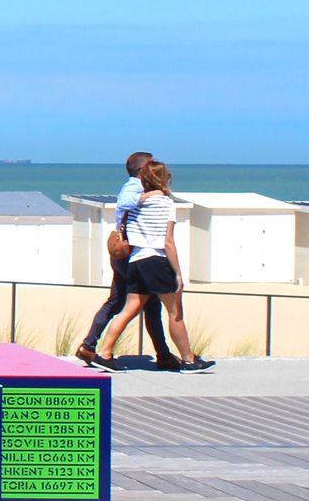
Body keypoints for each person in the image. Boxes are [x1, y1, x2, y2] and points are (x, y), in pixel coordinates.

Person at [95, 161, 212, 371]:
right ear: (164, 179)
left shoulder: (134, 203)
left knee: (129, 309)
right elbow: (167, 242)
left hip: (135, 260)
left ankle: (104, 352)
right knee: (175, 312)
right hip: (156, 261)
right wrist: (178, 274)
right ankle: (188, 359)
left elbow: (124, 212)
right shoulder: (166, 204)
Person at [75, 151, 177, 370]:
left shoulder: (140, 187)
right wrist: (158, 194)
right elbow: (126, 202)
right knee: (135, 305)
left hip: (129, 254)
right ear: (142, 170)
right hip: (133, 254)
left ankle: (91, 345)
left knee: (131, 304)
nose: (156, 169)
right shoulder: (135, 187)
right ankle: (101, 349)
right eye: (151, 166)